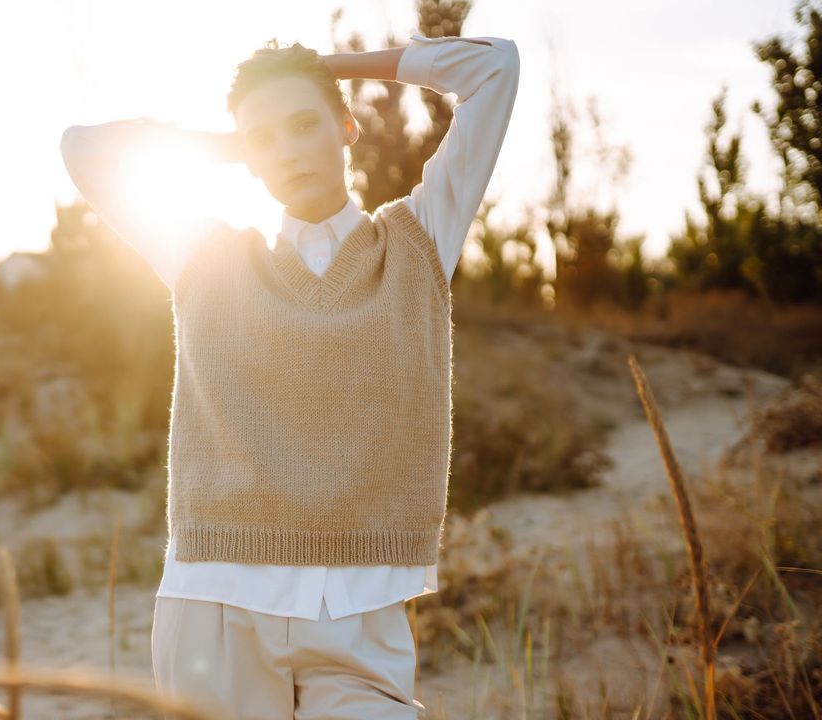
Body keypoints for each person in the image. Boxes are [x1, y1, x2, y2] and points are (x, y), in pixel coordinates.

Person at [60, 30, 519, 720]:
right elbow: (84, 149)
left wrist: (330, 67)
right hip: (217, 606)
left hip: (360, 615)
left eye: (306, 124)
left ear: (346, 126)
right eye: (264, 140)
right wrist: (224, 143)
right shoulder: (203, 256)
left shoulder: (418, 242)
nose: (288, 152)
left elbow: (494, 67)